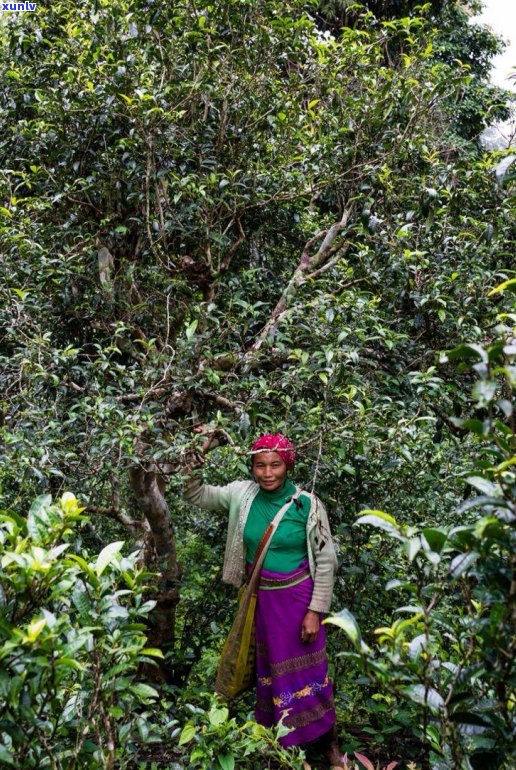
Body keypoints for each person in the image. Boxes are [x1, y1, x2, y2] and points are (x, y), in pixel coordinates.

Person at [183, 433, 345, 767]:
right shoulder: (241, 495)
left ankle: (329, 746)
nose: (268, 473)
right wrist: (200, 450)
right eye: (260, 465)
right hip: (263, 604)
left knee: (310, 676)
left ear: (288, 466)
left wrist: (315, 611)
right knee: (274, 675)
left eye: (275, 465)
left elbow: (326, 560)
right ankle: (284, 749)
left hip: (300, 601)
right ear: (252, 467)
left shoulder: (308, 505)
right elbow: (195, 493)